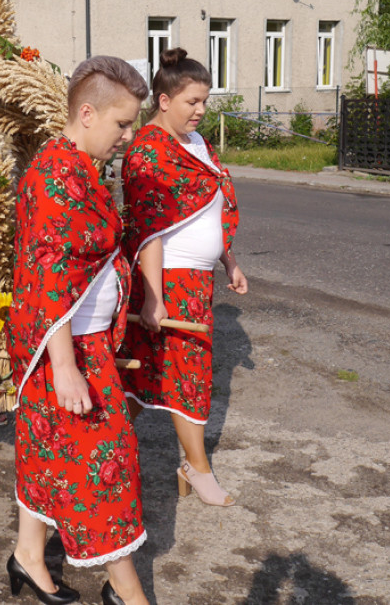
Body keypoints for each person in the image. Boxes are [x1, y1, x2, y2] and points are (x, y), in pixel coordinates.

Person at [5, 56, 151, 605]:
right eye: (122, 124)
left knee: (51, 458)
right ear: (87, 113)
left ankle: (26, 556)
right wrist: (65, 365)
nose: (129, 135)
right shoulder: (55, 177)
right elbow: (47, 273)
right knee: (102, 472)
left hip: (82, 346)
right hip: (69, 352)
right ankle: (127, 592)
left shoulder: (78, 165)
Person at [120, 48, 248, 507]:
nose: (200, 110)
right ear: (163, 100)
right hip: (166, 280)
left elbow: (210, 202)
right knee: (183, 376)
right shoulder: (147, 152)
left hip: (196, 281)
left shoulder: (194, 143)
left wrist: (227, 261)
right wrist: (153, 297)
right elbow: (149, 228)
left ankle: (100, 442)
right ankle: (197, 469)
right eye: (192, 101)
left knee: (152, 376)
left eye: (204, 101)